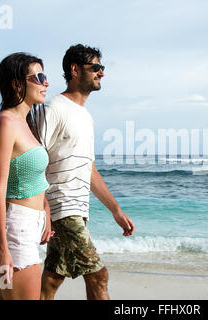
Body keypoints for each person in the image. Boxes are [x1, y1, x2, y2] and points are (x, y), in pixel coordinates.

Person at [37, 44, 135, 300]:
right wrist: (44, 208)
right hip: (62, 208)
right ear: (74, 70)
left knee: (52, 279)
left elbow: (89, 169)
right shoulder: (54, 108)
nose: (102, 73)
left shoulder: (86, 117)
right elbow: (34, 159)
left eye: (102, 68)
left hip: (77, 210)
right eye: (96, 68)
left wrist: (115, 209)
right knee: (98, 275)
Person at [0, 52, 54, 300]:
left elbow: (28, 177)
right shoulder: (5, 123)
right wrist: (2, 249)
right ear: (17, 84)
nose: (46, 83)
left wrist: (44, 210)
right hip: (14, 232)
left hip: (26, 228)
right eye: (39, 77)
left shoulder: (26, 123)